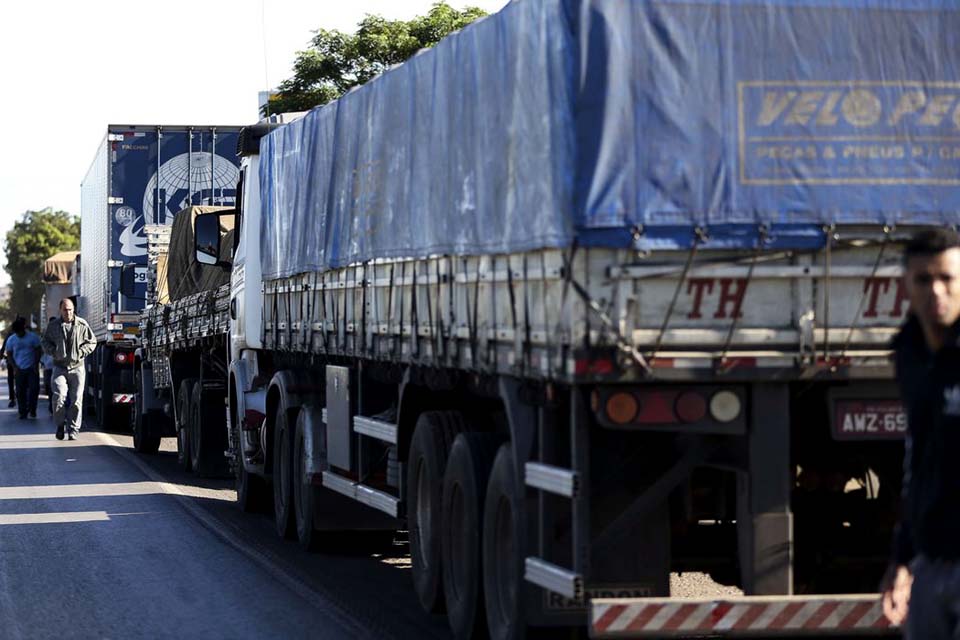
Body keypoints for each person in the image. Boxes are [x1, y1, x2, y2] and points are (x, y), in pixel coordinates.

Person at [882, 228, 960, 637]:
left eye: (947, 278)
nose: (937, 292)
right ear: (905, 286)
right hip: (932, 564)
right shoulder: (909, 355)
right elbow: (918, 460)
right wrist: (902, 558)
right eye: (924, 280)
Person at [41, 299, 96, 441]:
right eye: (65, 309)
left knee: (76, 400)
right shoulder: (53, 326)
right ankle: (60, 425)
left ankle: (73, 429)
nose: (68, 312)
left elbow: (92, 342)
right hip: (59, 367)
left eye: (70, 309)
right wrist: (54, 352)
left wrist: (82, 352)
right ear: (60, 310)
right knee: (59, 397)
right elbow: (45, 342)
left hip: (77, 368)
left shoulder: (82, 324)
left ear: (74, 309)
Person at [5, 317, 42, 419]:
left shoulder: (33, 337)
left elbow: (38, 350)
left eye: (20, 332)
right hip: (19, 369)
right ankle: (22, 411)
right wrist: (15, 367)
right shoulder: (11, 340)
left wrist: (36, 364)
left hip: (31, 368)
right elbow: (9, 354)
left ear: (23, 329)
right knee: (20, 391)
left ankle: (32, 409)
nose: (19, 334)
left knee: (34, 389)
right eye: (17, 333)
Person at [1, 328, 16, 408]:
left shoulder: (9, 336)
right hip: (13, 362)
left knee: (11, 379)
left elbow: (3, 349)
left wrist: (2, 355)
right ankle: (13, 398)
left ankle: (12, 398)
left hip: (11, 361)